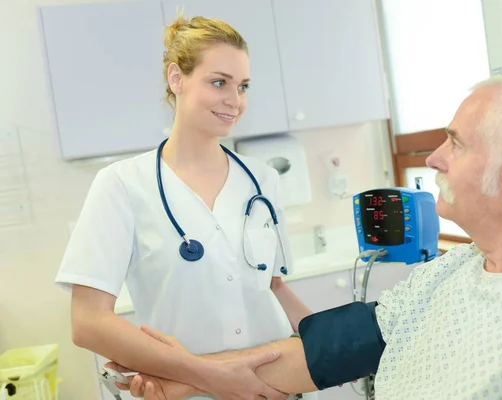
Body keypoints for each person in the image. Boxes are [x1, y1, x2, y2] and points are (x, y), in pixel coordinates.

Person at [108, 73, 502, 400]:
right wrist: (188, 373)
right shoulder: (450, 272)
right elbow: (325, 350)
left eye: (457, 143)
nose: (434, 158)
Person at [55, 11, 315, 400]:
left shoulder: (263, 179)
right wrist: (209, 376)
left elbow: (272, 285)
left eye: (243, 86)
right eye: (218, 82)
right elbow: (88, 322)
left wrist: (330, 347)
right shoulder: (122, 185)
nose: (235, 100)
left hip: (275, 387)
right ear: (177, 78)